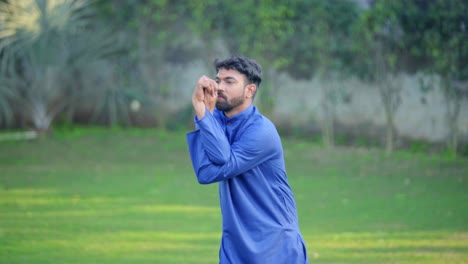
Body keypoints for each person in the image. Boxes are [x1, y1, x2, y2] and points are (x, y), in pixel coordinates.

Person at [186, 55, 308, 263]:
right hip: (235, 244)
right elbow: (205, 173)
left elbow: (223, 160)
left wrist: (202, 111)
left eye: (229, 81)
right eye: (218, 80)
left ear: (250, 90)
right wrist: (205, 115)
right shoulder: (214, 121)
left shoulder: (262, 131)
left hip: (275, 243)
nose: (219, 87)